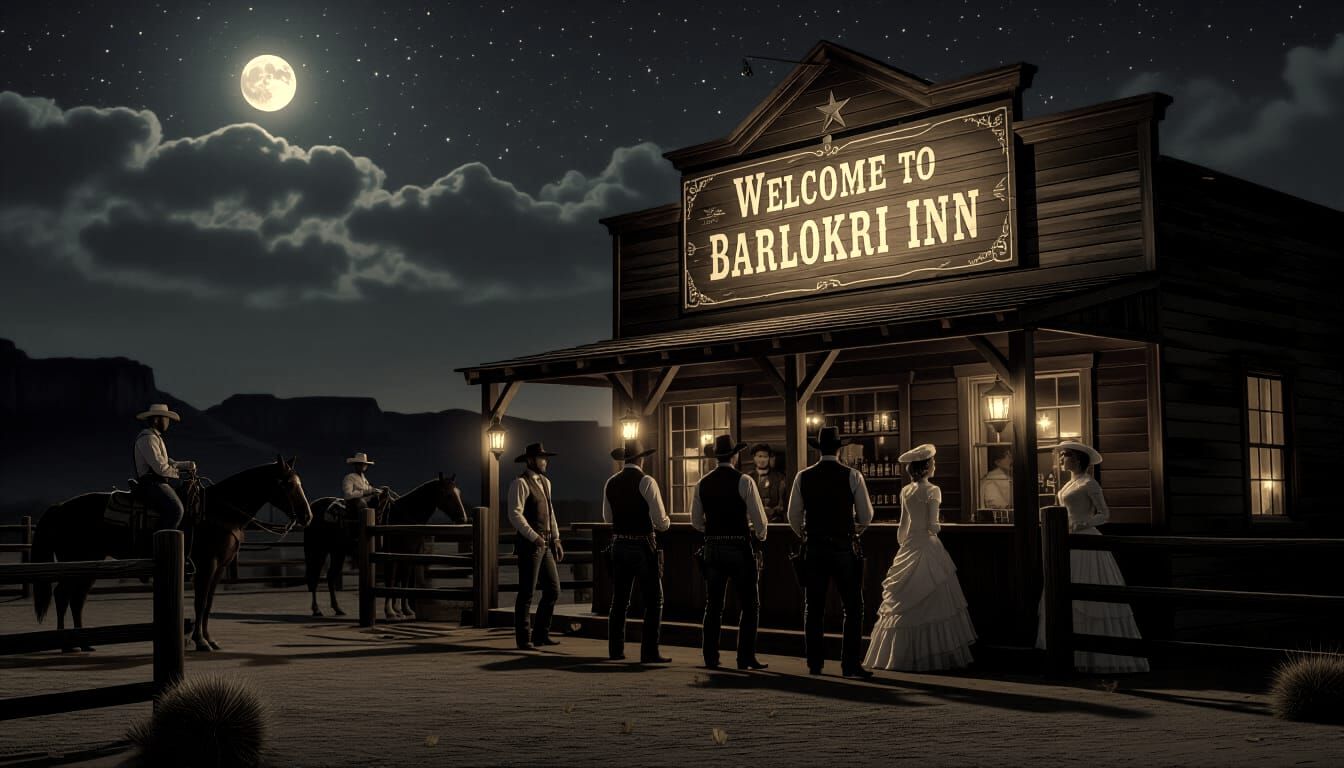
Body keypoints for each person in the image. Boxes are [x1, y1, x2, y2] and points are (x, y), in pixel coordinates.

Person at [1036, 441, 1149, 673]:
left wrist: (1083, 523)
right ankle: (1068, 653)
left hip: (1084, 537)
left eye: (1065, 456)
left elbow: (1104, 514)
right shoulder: (1070, 483)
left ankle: (1100, 655)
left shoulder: (1089, 483)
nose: (1061, 460)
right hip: (1066, 539)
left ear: (1077, 459)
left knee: (1088, 587)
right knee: (1064, 586)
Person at [863, 444, 977, 671]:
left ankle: (898, 656)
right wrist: (936, 526)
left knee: (902, 601)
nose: (935, 465)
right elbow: (933, 526)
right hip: (927, 545)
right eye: (933, 462)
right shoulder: (933, 490)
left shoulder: (906, 491)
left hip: (910, 545)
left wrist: (905, 546)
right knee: (936, 599)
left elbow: (902, 527)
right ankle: (932, 654)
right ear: (926, 466)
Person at [786, 426, 874, 678]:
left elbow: (793, 516)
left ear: (818, 450)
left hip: (815, 548)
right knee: (853, 607)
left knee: (814, 607)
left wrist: (806, 534)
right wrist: (854, 530)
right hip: (843, 547)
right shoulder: (852, 475)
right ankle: (850, 664)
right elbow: (866, 515)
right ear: (839, 450)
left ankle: (815, 663)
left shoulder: (803, 476)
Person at [692, 434, 770, 670]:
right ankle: (745, 657)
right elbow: (760, 521)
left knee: (713, 605)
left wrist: (713, 530)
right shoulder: (744, 481)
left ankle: (710, 656)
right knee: (749, 604)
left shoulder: (702, 483)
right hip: (738, 548)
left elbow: (696, 522)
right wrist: (760, 535)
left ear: (716, 457)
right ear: (735, 456)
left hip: (713, 548)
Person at [603, 439, 672, 663]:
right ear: (642, 459)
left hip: (619, 545)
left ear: (624, 459)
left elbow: (608, 518)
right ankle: (649, 651)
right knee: (654, 600)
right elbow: (660, 521)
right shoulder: (646, 481)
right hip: (643, 546)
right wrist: (667, 523)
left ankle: (615, 650)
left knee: (619, 600)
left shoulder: (611, 482)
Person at [508, 442, 562, 651]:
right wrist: (533, 537)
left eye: (545, 458)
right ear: (531, 460)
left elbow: (550, 512)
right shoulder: (520, 483)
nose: (545, 461)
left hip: (546, 543)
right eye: (542, 458)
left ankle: (540, 635)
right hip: (530, 545)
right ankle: (524, 639)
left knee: (553, 590)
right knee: (526, 592)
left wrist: (556, 538)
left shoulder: (546, 483)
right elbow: (514, 514)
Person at [132, 403, 195, 532]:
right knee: (176, 510)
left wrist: (187, 465)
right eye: (165, 418)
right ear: (156, 420)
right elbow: (160, 468)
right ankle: (160, 541)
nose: (168, 422)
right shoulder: (148, 439)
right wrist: (180, 474)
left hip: (156, 482)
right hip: (151, 483)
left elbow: (167, 462)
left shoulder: (155, 438)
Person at [342, 452, 391, 530]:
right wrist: (365, 492)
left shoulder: (364, 479)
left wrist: (377, 492)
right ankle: (365, 528)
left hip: (366, 501)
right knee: (361, 503)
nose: (362, 466)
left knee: (383, 499)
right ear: (355, 465)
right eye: (360, 464)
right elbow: (348, 495)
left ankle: (380, 522)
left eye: (364, 464)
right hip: (355, 504)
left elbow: (369, 490)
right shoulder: (349, 477)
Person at [747, 443, 789, 523]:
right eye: (760, 456)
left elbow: (783, 504)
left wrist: (774, 510)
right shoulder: (748, 478)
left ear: (769, 458)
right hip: (754, 521)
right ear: (754, 458)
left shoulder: (779, 477)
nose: (762, 460)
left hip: (774, 521)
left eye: (765, 456)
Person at [979, 445, 1013, 514]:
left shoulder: (1008, 476)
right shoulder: (991, 478)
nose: (1010, 458)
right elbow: (997, 505)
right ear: (997, 462)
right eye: (1006, 454)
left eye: (1009, 454)